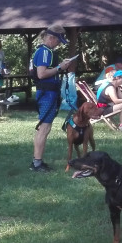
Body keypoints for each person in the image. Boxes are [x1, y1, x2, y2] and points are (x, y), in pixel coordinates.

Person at [28, 24, 76, 172]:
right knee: (44, 127)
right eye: (58, 40)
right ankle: (37, 163)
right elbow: (41, 74)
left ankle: (37, 161)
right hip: (46, 94)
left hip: (49, 93)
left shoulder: (46, 51)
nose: (59, 44)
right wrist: (60, 67)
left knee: (45, 127)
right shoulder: (44, 52)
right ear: (51, 38)